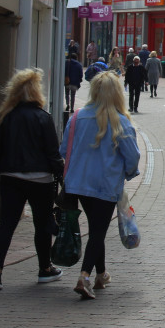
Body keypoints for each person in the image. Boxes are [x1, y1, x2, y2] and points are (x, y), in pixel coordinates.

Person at [60, 71, 141, 300]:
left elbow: (64, 150)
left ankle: (101, 274)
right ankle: (84, 277)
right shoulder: (120, 120)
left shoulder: (77, 117)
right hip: (106, 184)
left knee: (97, 229)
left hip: (79, 184)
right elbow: (133, 156)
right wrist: (127, 172)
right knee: (97, 231)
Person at [0, 68, 65, 291]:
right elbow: (52, 153)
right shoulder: (43, 118)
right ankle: (44, 268)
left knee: (7, 224)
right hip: (40, 179)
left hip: (11, 177)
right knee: (42, 224)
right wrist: (60, 176)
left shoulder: (6, 117)